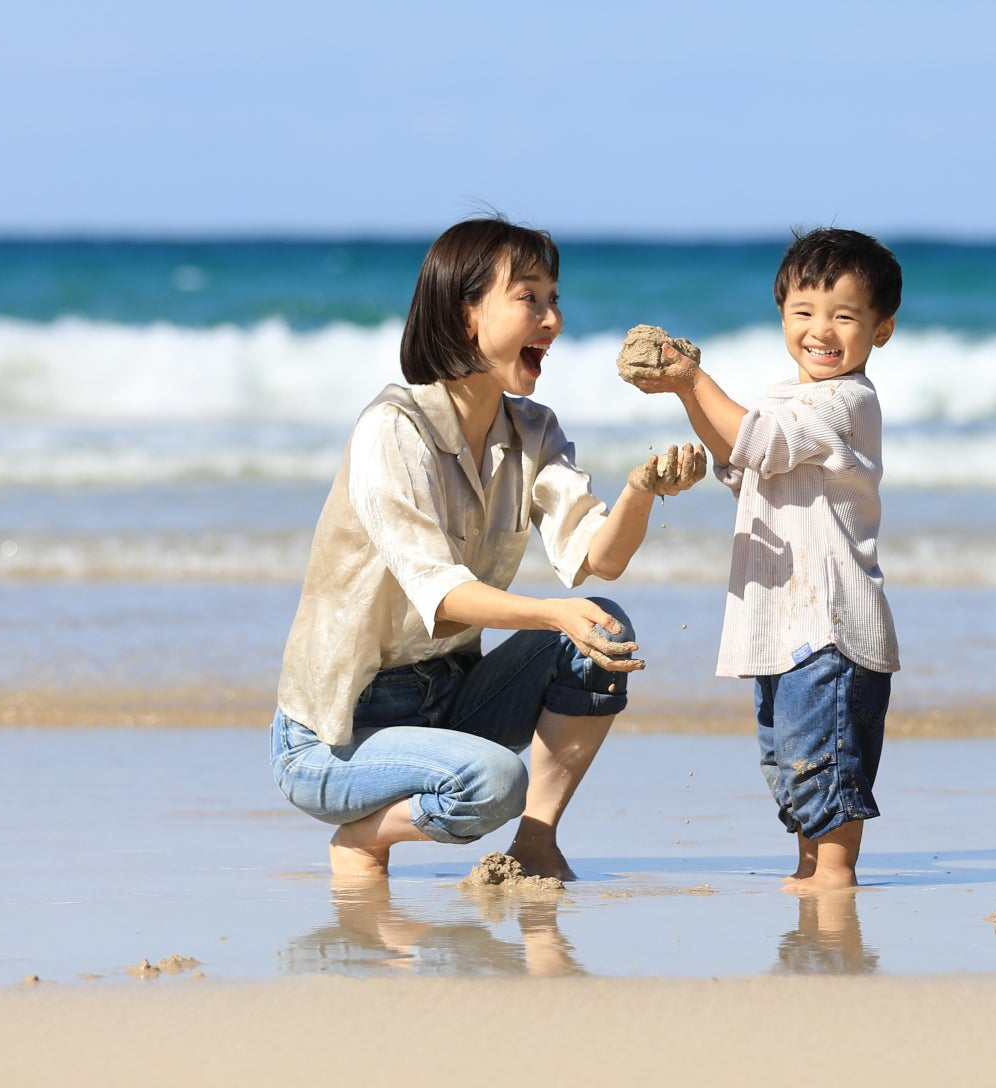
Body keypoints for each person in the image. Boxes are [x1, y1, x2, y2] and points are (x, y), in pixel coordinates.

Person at [273, 217, 707, 881]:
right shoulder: (393, 429)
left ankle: (537, 841)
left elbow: (599, 557)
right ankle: (361, 838)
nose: (552, 319)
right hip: (336, 737)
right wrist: (550, 612)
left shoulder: (533, 430)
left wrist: (641, 492)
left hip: (449, 701)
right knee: (495, 783)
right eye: (529, 298)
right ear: (462, 314)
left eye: (554, 298)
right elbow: (442, 601)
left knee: (603, 624)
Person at [624, 228, 900, 891]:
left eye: (844, 316)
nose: (821, 330)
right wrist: (693, 418)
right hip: (785, 625)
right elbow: (745, 454)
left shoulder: (847, 400)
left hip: (831, 629)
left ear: (881, 329)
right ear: (782, 317)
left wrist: (692, 380)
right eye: (804, 313)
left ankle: (833, 881)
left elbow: (757, 440)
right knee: (789, 763)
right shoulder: (785, 396)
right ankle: (811, 870)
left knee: (823, 764)